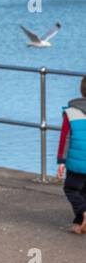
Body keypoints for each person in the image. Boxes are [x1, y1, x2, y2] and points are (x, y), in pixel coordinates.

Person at [55, 76, 86, 233]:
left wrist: (61, 161)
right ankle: (79, 223)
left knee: (71, 189)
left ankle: (83, 212)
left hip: (77, 163)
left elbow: (64, 138)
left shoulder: (71, 113)